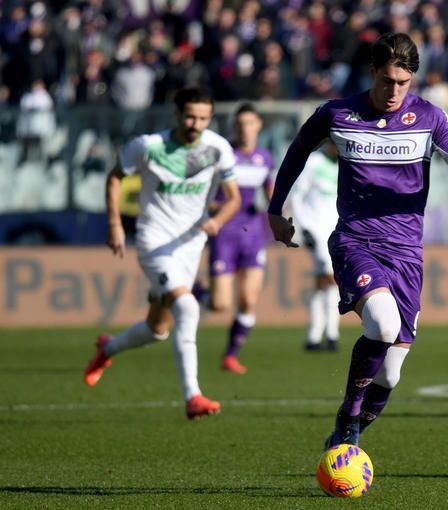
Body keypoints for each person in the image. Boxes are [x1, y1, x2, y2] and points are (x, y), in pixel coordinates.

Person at [267, 32, 448, 447]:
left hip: (406, 253)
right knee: (383, 325)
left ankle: (343, 442)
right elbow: (297, 152)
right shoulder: (337, 113)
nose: (394, 91)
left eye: (404, 83)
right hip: (356, 241)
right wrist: (275, 209)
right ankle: (348, 419)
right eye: (387, 81)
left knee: (390, 373)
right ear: (372, 72)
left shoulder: (430, 118)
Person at [83, 87, 242, 420]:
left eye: (203, 118)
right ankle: (193, 396)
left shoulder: (217, 149)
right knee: (187, 306)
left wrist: (216, 222)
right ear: (177, 114)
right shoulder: (148, 146)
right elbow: (115, 178)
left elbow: (234, 198)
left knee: (157, 328)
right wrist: (115, 224)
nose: (196, 124)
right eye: (190, 117)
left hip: (190, 245)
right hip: (153, 241)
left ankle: (107, 348)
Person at [203, 103, 276, 374]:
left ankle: (230, 355)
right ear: (234, 127)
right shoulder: (224, 156)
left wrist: (280, 213)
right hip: (224, 231)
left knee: (248, 301)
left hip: (252, 232)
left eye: (250, 123)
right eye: (240, 124)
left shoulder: (265, 158)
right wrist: (212, 209)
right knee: (219, 304)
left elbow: (271, 192)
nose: (245, 129)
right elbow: (204, 193)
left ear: (259, 125)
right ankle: (198, 291)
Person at [289, 142, 341, 352]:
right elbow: (297, 196)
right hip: (316, 230)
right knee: (332, 277)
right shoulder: (314, 163)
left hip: (336, 230)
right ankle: (332, 335)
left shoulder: (346, 166)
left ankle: (314, 336)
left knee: (322, 281)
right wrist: (304, 227)